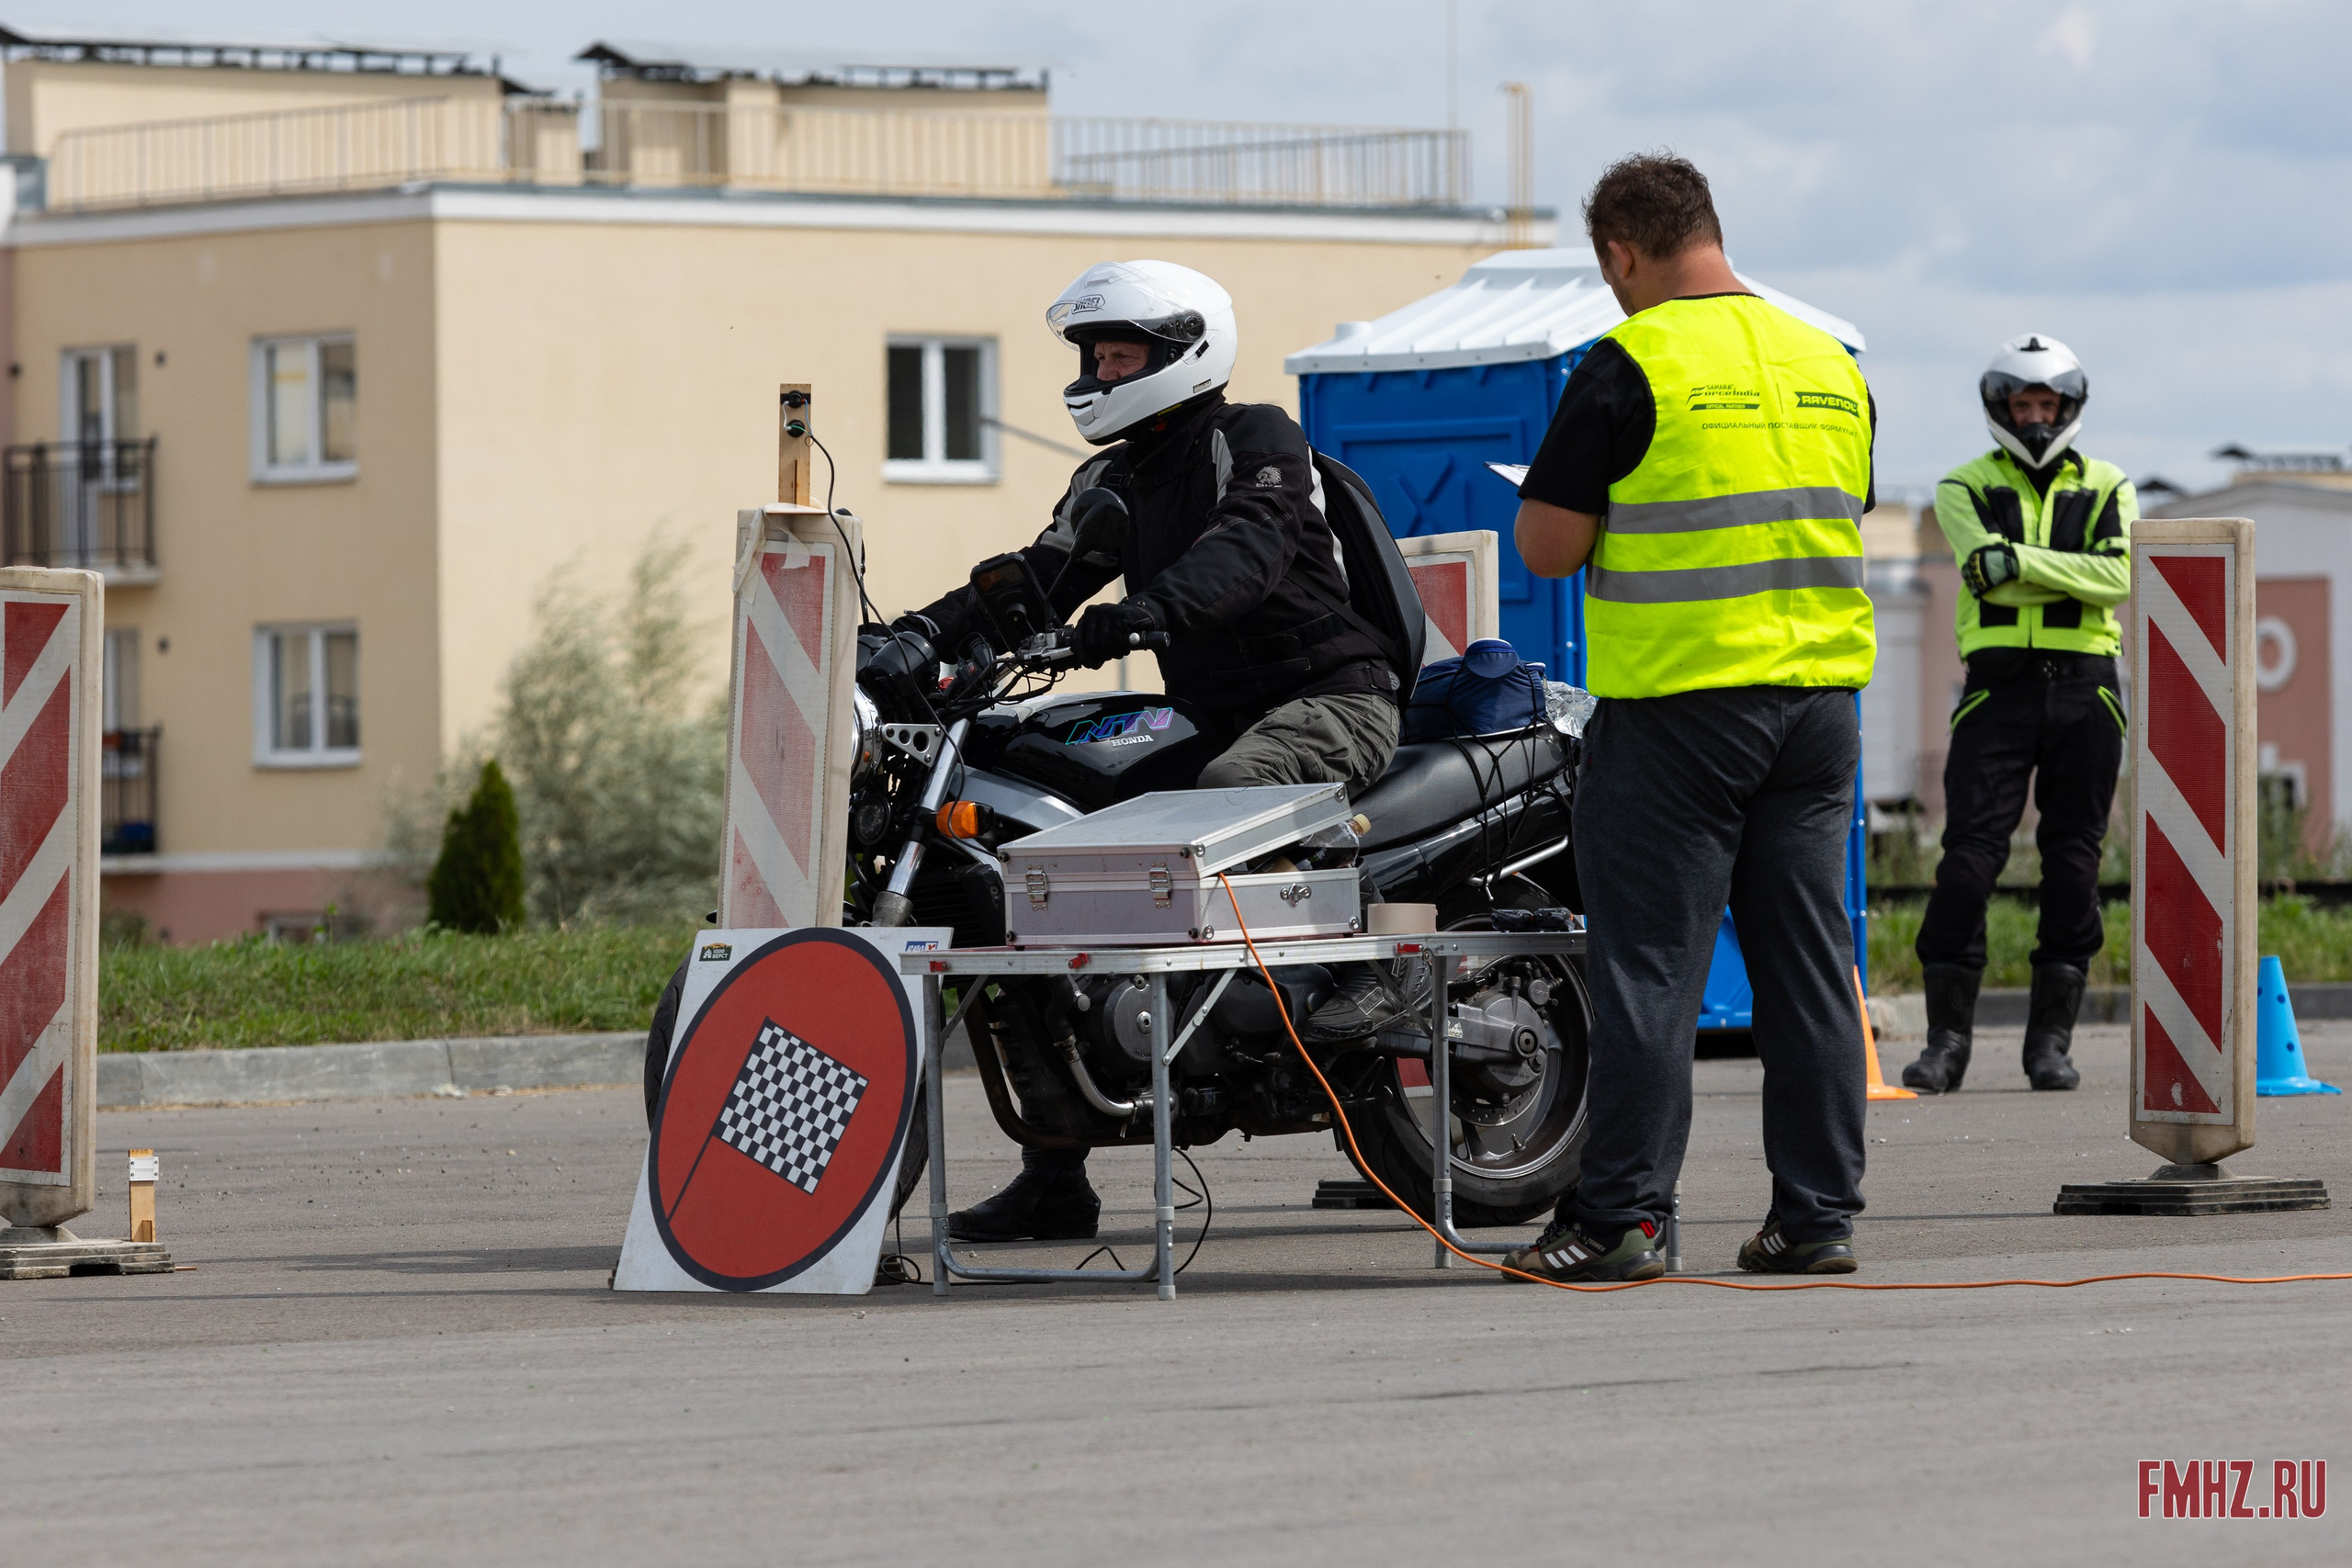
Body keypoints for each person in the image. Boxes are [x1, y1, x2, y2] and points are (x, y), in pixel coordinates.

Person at [886, 259, 1409, 1243]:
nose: (1101, 372)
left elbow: (1249, 550)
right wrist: (918, 635)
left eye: (1121, 354)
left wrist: (1142, 616)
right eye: (1095, 354)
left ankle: (1361, 982)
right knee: (1050, 843)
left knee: (1229, 790)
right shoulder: (1113, 478)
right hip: (1216, 715)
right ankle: (1055, 1175)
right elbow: (1035, 581)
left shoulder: (1255, 438)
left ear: (1182, 352)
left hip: (1330, 700)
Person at [1503, 152, 1877, 1281]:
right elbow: (1838, 508)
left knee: (1649, 971)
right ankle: (1814, 1219)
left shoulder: (1631, 361)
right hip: (1818, 711)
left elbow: (1549, 546)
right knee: (1808, 966)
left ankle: (1621, 1217)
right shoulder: (1828, 362)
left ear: (1622, 252)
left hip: (1679, 711)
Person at [1900, 337, 2133, 1095]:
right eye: (2022, 404)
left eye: (2047, 405)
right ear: (2001, 407)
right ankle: (1946, 1041)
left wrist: (2021, 562)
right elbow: (1982, 575)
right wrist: (2068, 574)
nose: (2035, 418)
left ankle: (2050, 1044)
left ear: (2067, 408)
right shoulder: (1959, 486)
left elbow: (2121, 576)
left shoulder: (2109, 483)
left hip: (2088, 690)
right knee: (1968, 859)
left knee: (2074, 862)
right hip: (1996, 689)